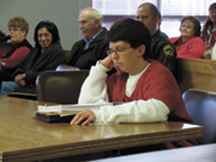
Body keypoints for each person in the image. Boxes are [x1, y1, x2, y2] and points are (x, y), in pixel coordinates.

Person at [71, 18, 196, 150]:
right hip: (135, 147)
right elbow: (88, 106)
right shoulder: (118, 78)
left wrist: (103, 114)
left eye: (120, 50)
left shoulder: (159, 73)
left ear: (140, 50)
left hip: (172, 150)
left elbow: (156, 110)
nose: (114, 57)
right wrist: (101, 68)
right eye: (111, 51)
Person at [0, 21, 66, 96]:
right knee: (5, 85)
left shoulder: (58, 53)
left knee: (7, 87)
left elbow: (47, 75)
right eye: (40, 35)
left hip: (39, 88)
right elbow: (22, 65)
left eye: (46, 35)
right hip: (25, 84)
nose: (43, 39)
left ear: (53, 36)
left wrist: (25, 77)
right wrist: (18, 75)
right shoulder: (35, 50)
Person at [136, 3, 176, 74]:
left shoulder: (163, 45)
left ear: (155, 21)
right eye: (138, 18)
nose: (140, 21)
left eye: (144, 17)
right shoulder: (135, 42)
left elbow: (164, 75)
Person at [0, 17, 32, 83]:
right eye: (10, 29)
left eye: (15, 30)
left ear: (23, 32)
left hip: (10, 80)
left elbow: (11, 62)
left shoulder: (25, 48)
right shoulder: (8, 45)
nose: (11, 32)